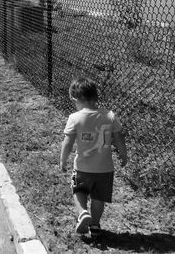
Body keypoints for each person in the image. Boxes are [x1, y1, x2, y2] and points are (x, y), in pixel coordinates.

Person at [60, 77, 128, 237]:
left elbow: (68, 143)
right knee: (99, 198)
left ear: (75, 99)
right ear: (95, 97)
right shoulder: (110, 116)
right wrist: (124, 156)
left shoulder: (75, 118)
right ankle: (95, 225)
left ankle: (83, 213)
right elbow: (119, 138)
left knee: (78, 190)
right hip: (105, 169)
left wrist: (63, 160)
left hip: (82, 167)